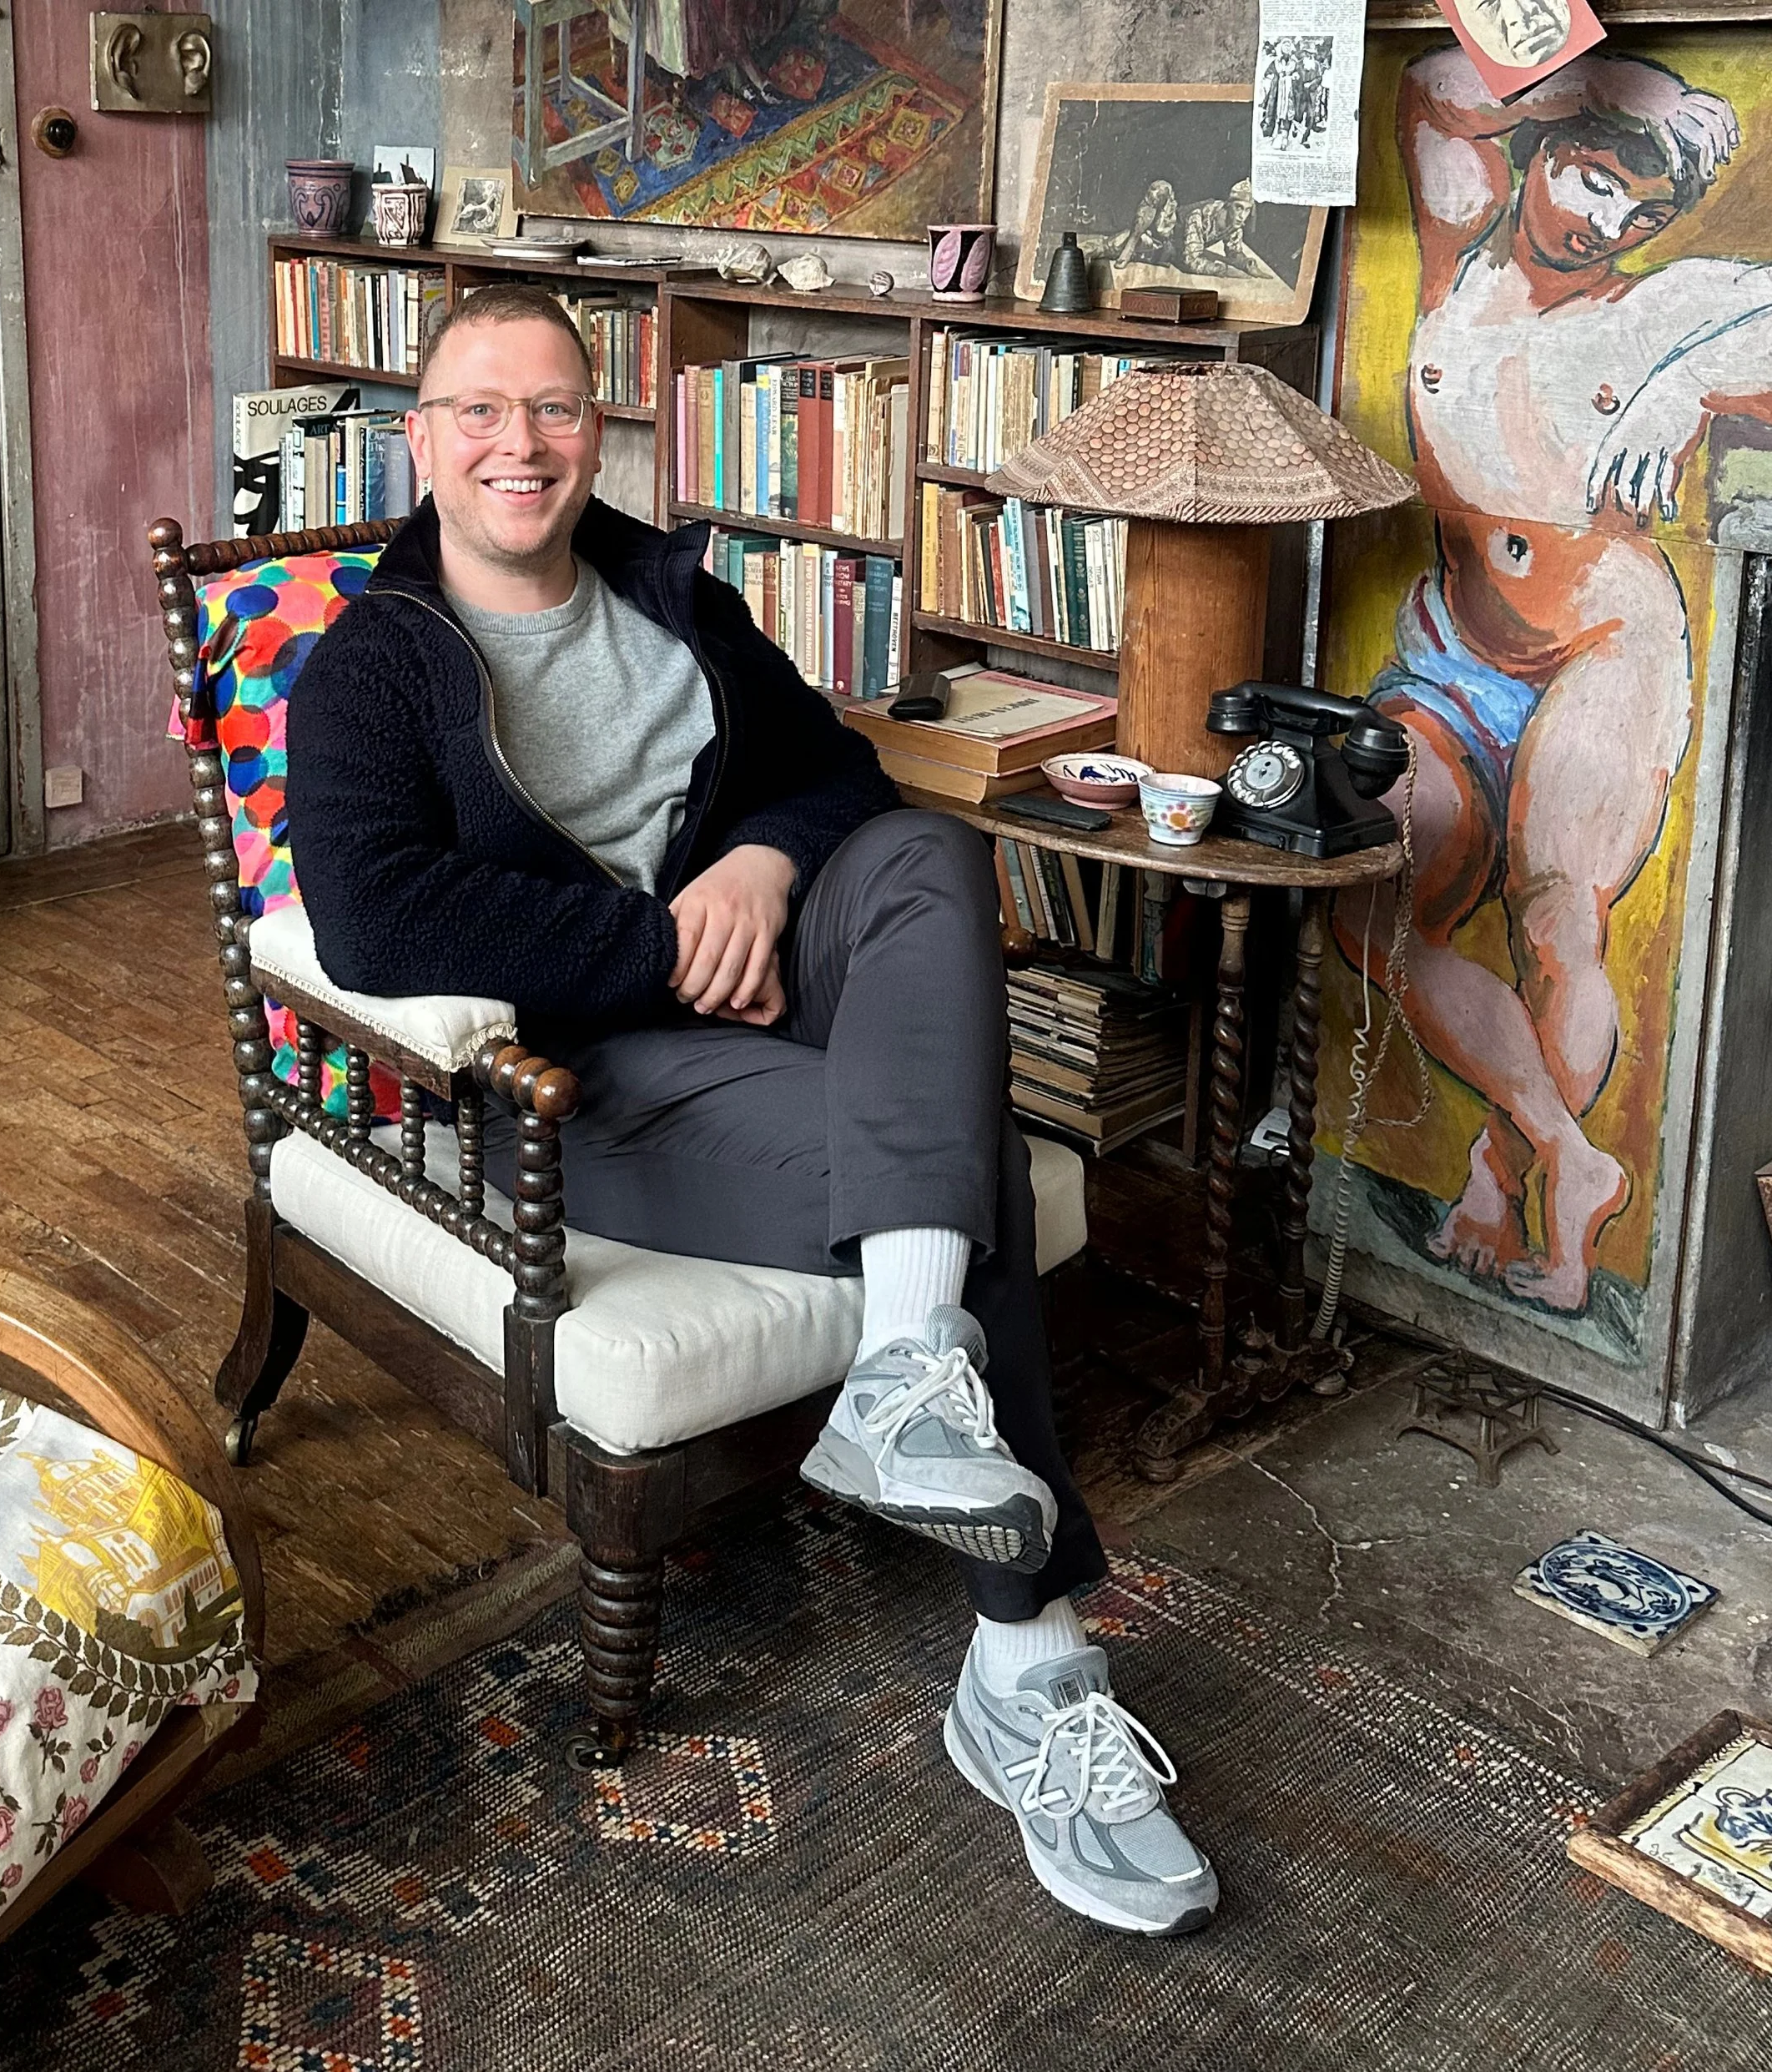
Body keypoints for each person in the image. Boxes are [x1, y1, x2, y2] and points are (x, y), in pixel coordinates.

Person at [284, 283, 1217, 1937]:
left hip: (757, 976)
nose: (521, 442)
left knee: (928, 845)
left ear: (598, 427)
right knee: (969, 1169)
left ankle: (911, 1379)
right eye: (480, 410)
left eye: (556, 407)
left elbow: (834, 764)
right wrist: (664, 943)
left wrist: (757, 861)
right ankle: (1029, 1658)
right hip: (582, 1076)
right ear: (420, 438)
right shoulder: (374, 667)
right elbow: (375, 920)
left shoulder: (667, 592)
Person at [1338, 50, 1772, 1313]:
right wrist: (1624, 93)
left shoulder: (1661, 311)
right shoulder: (1459, 247)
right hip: (1454, 647)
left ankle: (1505, 1173)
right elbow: (1440, 86)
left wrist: (1688, 378)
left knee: (1556, 919)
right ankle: (1567, 1154)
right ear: (1546, 150)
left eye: (1639, 213)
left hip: (1609, 644)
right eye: (1595, 181)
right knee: (1364, 892)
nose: (1608, 224)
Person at [1180, 180, 1281, 278]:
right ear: (1228, 204)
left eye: (1247, 210)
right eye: (1239, 208)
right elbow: (1191, 261)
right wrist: (1224, 270)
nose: (1242, 216)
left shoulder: (1234, 223)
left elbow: (1233, 252)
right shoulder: (1198, 216)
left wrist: (1247, 265)